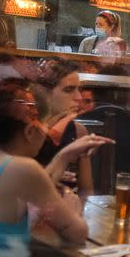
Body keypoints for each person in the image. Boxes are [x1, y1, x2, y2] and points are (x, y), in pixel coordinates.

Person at [0, 79, 89, 257]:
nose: (46, 130)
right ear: (28, 132)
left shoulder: (4, 165)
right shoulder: (24, 169)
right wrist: (72, 209)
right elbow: (77, 234)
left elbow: (36, 190)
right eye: (43, 122)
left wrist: (63, 157)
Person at [35, 59, 96, 199]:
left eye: (79, 90)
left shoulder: (78, 131)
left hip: (67, 211)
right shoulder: (28, 131)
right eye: (68, 90)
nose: (79, 97)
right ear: (45, 93)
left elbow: (86, 191)